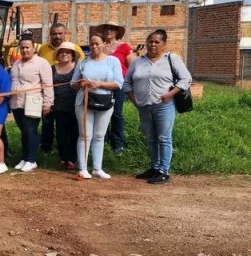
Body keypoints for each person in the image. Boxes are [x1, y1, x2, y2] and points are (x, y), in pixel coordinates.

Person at [123, 29, 191, 185]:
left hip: (164, 105)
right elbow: (127, 83)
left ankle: (163, 171)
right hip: (144, 106)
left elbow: (186, 78)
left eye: (156, 42)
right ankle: (154, 167)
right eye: (150, 41)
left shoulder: (171, 59)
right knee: (151, 138)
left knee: (164, 137)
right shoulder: (138, 62)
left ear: (164, 44)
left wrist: (171, 94)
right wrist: (134, 100)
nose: (152, 44)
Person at [71, 33, 123, 180]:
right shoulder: (83, 62)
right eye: (91, 44)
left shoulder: (113, 61)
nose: (94, 46)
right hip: (84, 101)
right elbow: (73, 84)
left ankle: (97, 168)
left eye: (97, 43)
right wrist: (80, 84)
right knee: (85, 135)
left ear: (105, 44)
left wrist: (99, 84)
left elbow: (118, 83)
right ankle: (82, 168)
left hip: (105, 101)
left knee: (99, 136)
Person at [37, 24, 84, 154]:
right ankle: (47, 149)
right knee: (50, 126)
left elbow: (83, 69)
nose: (57, 36)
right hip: (52, 99)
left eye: (60, 33)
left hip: (74, 102)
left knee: (73, 129)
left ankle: (72, 156)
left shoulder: (76, 48)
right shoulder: (43, 49)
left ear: (65, 34)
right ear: (50, 34)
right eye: (54, 33)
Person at [9, 36, 53, 172]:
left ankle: (31, 159)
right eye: (22, 47)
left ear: (33, 48)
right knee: (24, 131)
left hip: (33, 101)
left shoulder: (42, 63)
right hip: (17, 102)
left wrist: (48, 103)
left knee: (30, 130)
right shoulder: (16, 63)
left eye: (27, 47)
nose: (24, 50)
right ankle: (24, 157)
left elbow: (47, 84)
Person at [97, 22, 135, 156]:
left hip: (118, 85)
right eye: (107, 28)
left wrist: (131, 85)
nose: (109, 31)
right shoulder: (100, 46)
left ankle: (118, 144)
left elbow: (131, 68)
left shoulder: (124, 47)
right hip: (102, 85)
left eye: (112, 29)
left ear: (117, 32)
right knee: (102, 111)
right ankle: (103, 141)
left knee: (117, 113)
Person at [51, 41, 80, 171]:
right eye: (62, 52)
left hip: (75, 105)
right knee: (61, 134)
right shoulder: (52, 68)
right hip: (58, 105)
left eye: (68, 52)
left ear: (72, 55)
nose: (64, 54)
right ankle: (63, 158)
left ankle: (72, 159)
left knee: (74, 133)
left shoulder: (78, 67)